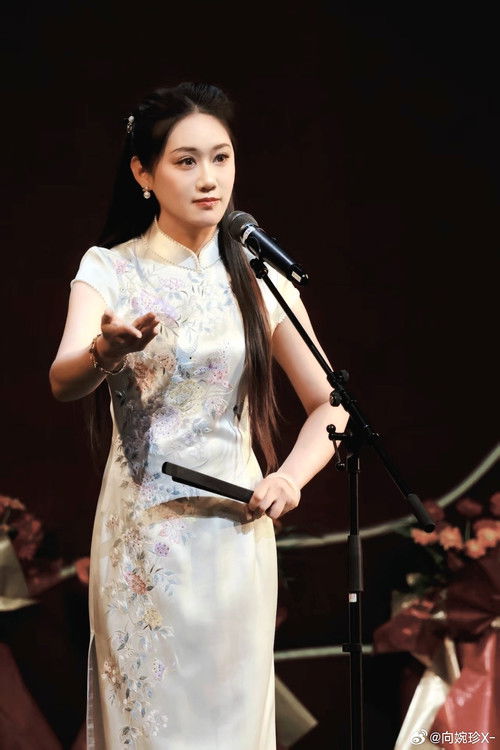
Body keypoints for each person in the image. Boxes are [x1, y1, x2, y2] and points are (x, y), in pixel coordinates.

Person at [49, 81, 349, 750]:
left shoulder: (258, 275)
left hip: (234, 536)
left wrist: (290, 477)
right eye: (186, 161)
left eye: (221, 157)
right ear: (143, 173)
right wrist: (105, 351)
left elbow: (332, 403)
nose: (209, 178)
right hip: (144, 538)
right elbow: (63, 380)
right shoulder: (110, 269)